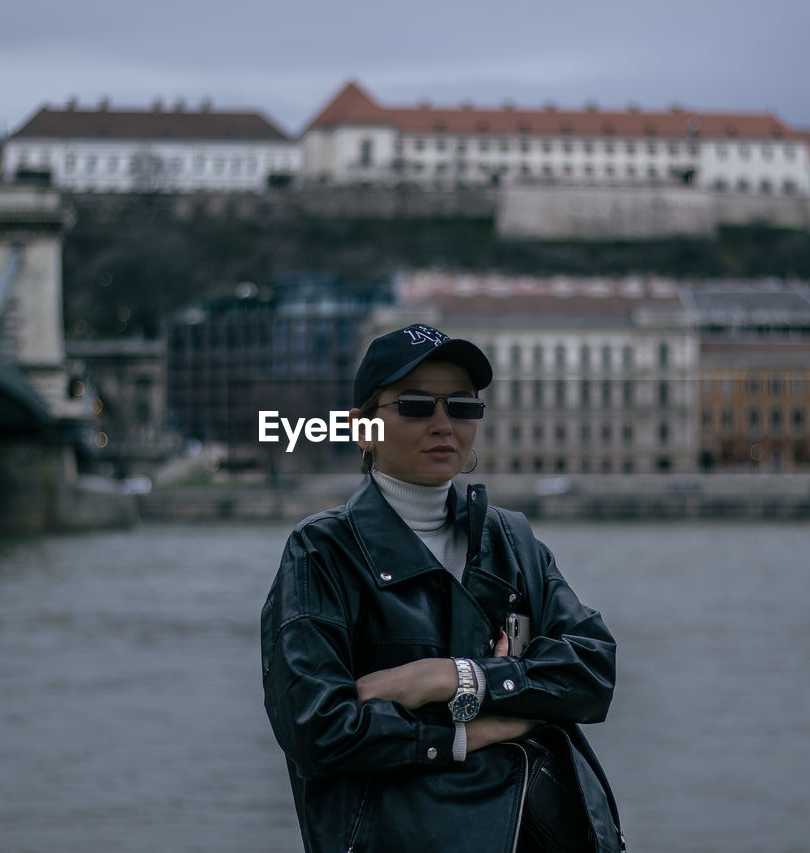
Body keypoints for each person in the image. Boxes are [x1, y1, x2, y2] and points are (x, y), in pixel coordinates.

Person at [261, 323, 624, 852]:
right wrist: (471, 732)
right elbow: (316, 730)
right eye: (414, 405)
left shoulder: (511, 539)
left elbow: (594, 671)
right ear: (363, 430)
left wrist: (451, 678)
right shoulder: (322, 553)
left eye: (462, 406)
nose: (443, 424)